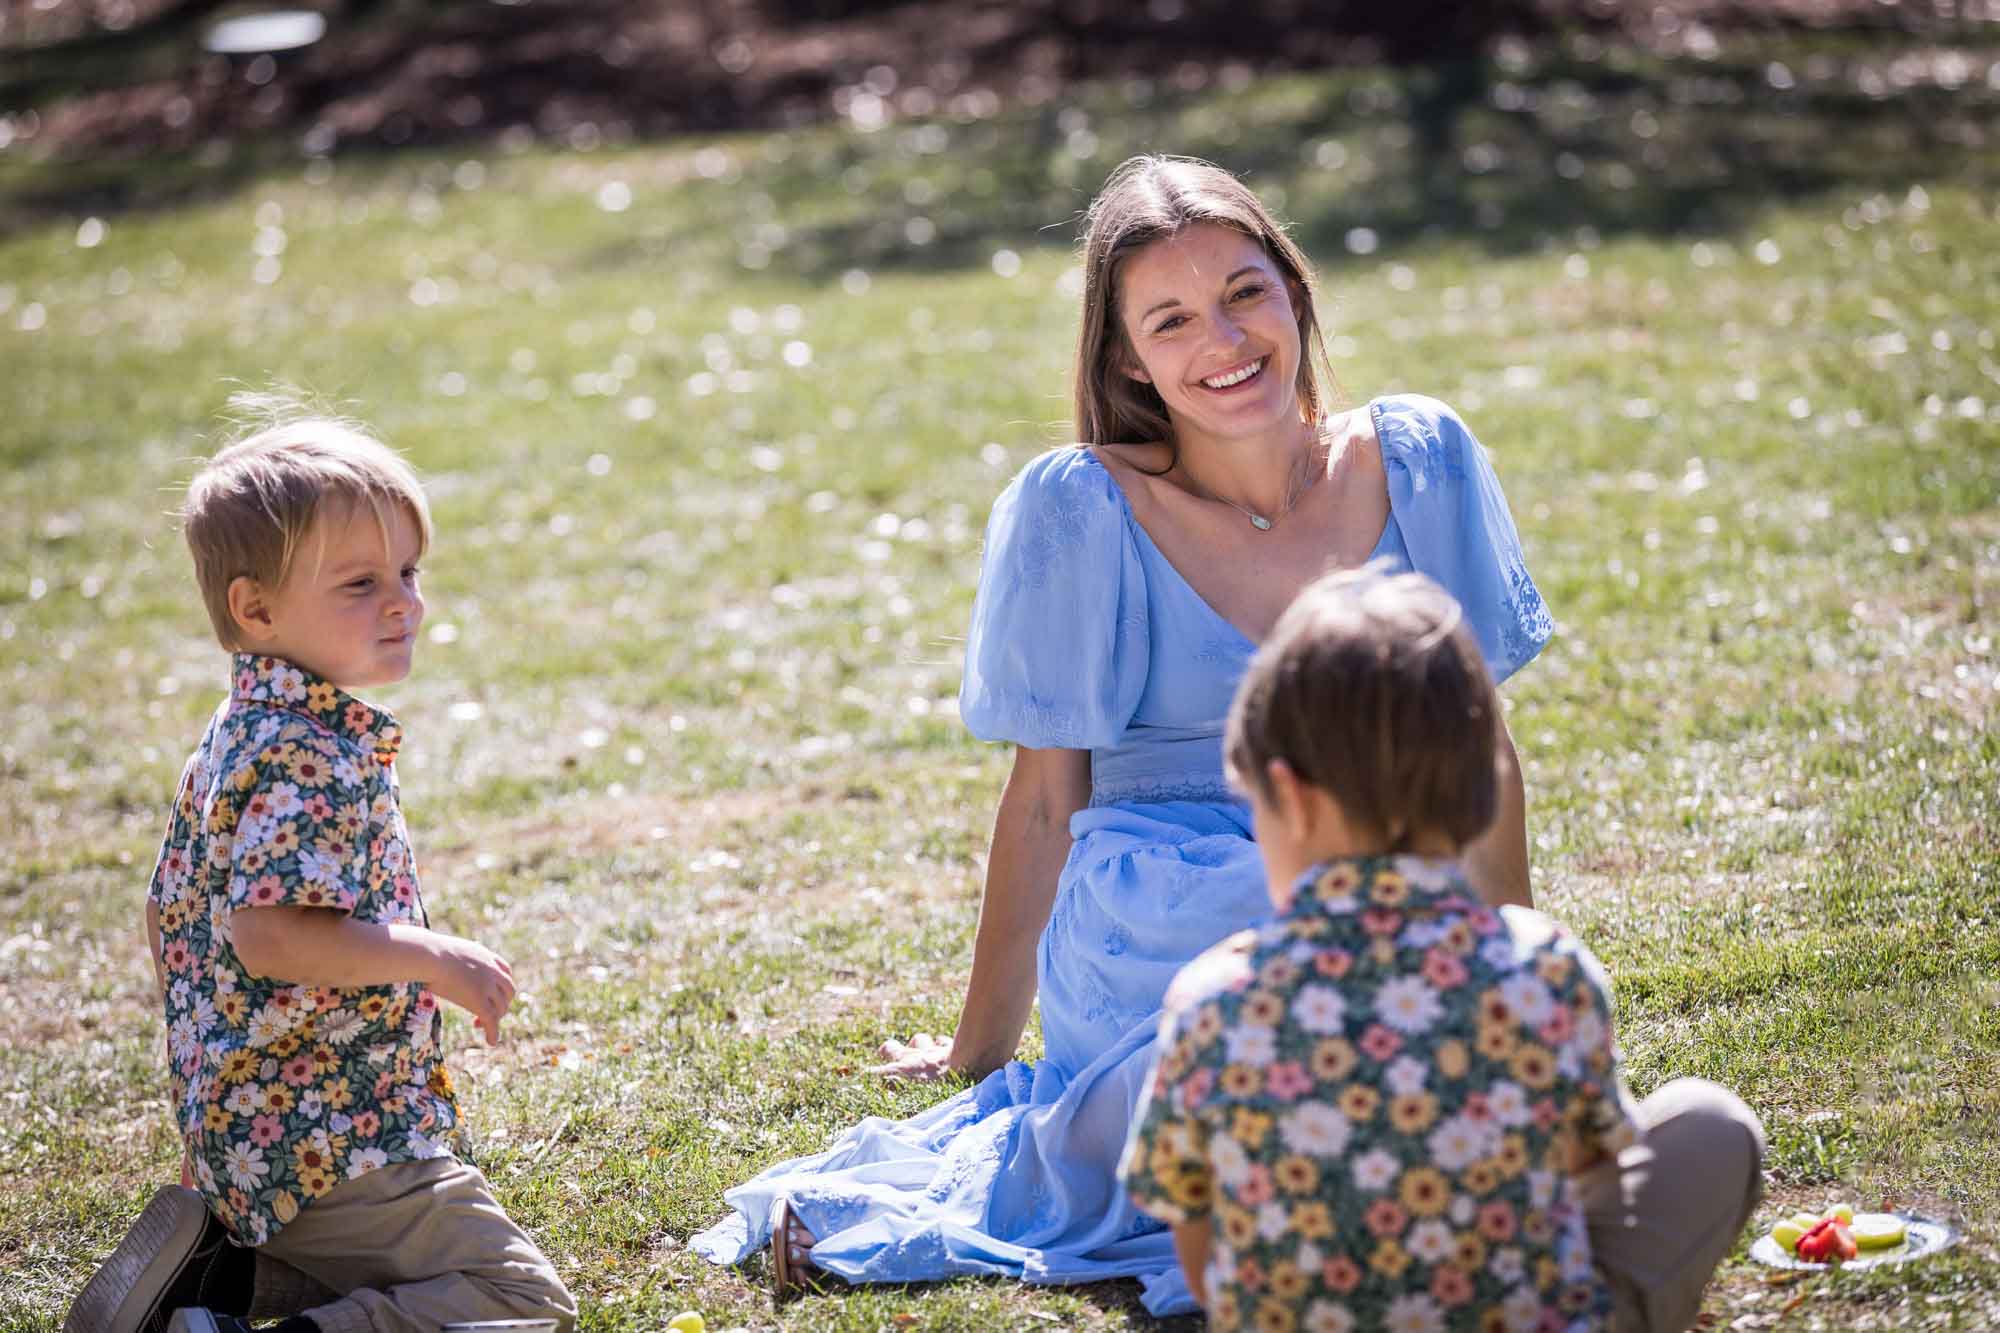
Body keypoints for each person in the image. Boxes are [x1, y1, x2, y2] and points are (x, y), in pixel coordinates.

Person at [692, 154, 1554, 1315]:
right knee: (1298, 991)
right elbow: (1046, 801)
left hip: (1373, 875)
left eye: (1245, 293)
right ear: (1125, 359)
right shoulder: (1082, 506)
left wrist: (1513, 983)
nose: (1223, 339)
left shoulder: (1419, 455)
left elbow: (1480, 750)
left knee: (1374, 968)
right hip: (1165, 907)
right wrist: (978, 1051)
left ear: (1293, 294)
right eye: (1171, 319)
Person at [1119, 566, 1765, 1331]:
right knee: (1711, 1123)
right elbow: (1584, 1176)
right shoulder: (1544, 971)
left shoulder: (1210, 999)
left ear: (1290, 796)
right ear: (1480, 786)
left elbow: (1205, 1264)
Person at [66, 410, 576, 1333]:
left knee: (409, 1265)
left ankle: (218, 1285)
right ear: (254, 609)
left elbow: (164, 912)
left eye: (409, 573)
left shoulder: (239, 730)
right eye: (360, 582)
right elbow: (269, 933)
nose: (404, 603)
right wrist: (434, 956)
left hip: (260, 1127)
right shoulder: (307, 753)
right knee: (521, 1298)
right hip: (335, 1142)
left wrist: (207, 1079)